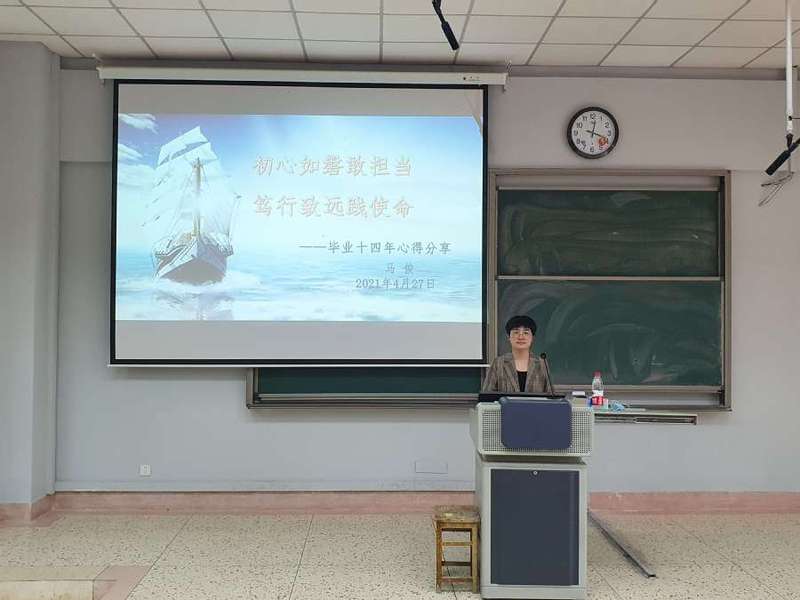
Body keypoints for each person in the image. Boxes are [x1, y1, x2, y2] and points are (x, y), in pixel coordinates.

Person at [482, 315, 554, 394]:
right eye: (516, 332)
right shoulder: (498, 363)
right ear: (508, 337)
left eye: (526, 333)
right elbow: (487, 395)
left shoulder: (541, 363)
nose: (521, 337)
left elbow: (550, 395)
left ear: (532, 338)